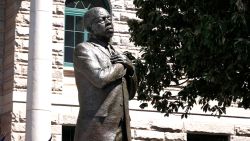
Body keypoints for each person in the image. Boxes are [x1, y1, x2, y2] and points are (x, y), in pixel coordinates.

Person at [73, 7, 137, 141]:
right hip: (98, 128)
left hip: (121, 127)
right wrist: (122, 65)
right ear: (91, 27)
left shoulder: (116, 53)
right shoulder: (84, 49)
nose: (108, 22)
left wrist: (131, 70)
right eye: (102, 19)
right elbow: (100, 78)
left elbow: (130, 94)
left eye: (109, 18)